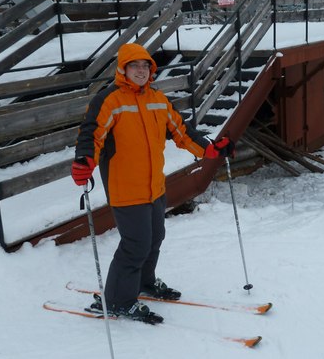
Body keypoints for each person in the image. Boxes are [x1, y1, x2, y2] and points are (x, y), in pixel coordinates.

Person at [71, 42, 235, 324]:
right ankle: (118, 300)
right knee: (135, 244)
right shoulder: (110, 100)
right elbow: (91, 134)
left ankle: (144, 281)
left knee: (154, 238)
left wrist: (209, 148)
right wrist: (85, 160)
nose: (141, 71)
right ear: (123, 69)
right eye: (135, 66)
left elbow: (181, 130)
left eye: (145, 66)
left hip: (154, 186)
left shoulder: (158, 99)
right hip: (126, 188)